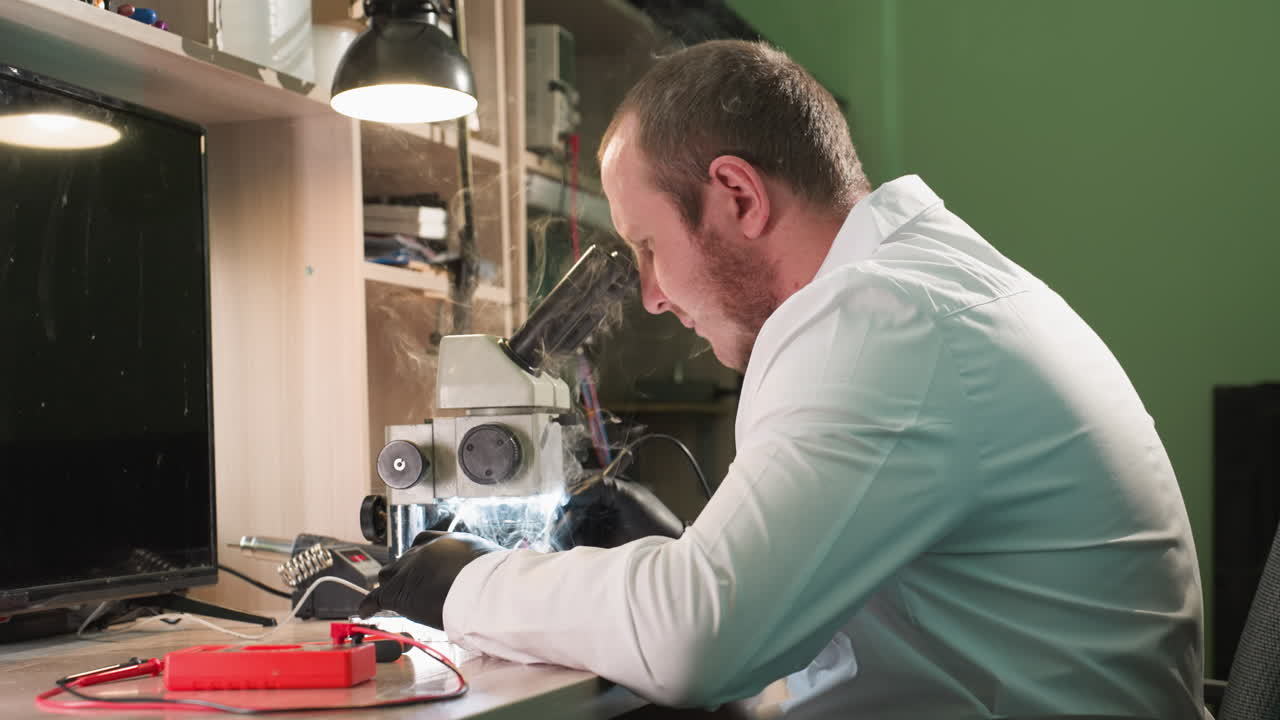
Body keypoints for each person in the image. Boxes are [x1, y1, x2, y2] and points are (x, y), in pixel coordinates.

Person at [359, 40, 1207, 719]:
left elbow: (697, 638)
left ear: (736, 195)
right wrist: (684, 552)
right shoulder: (925, 284)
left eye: (650, 247)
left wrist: (460, 580)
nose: (650, 296)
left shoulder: (880, 318)